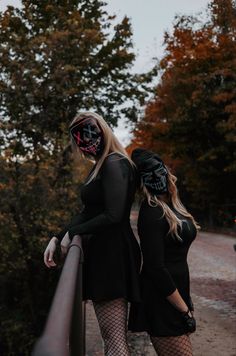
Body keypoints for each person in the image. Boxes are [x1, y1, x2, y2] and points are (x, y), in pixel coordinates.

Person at [44, 112, 141, 356]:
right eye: (80, 137)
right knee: (111, 337)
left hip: (113, 255)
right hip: (105, 254)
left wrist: (72, 233)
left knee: (115, 338)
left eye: (90, 132)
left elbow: (113, 215)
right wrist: (59, 236)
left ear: (104, 130)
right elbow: (88, 212)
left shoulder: (114, 163)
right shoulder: (102, 165)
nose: (86, 142)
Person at [128, 148, 199, 356]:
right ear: (142, 181)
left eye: (159, 171)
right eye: (149, 174)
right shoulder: (151, 212)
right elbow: (155, 268)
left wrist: (187, 301)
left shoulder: (173, 206)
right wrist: (183, 309)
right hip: (161, 300)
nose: (157, 177)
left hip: (176, 295)